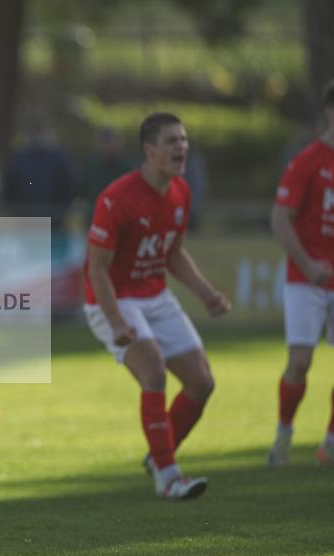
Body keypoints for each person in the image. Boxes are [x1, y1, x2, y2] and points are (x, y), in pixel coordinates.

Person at [83, 112, 230, 501]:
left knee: (202, 383)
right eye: (171, 141)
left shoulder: (180, 191)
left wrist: (207, 294)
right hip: (112, 298)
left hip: (155, 296)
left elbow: (173, 253)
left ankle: (158, 457)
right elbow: (96, 267)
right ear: (149, 151)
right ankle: (168, 475)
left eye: (183, 140)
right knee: (153, 370)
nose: (181, 147)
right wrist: (116, 322)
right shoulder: (117, 198)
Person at [267, 80, 334, 467]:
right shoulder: (308, 161)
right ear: (329, 111)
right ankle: (284, 432)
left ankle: (331, 441)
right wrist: (309, 265)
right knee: (300, 362)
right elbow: (280, 218)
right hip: (305, 278)